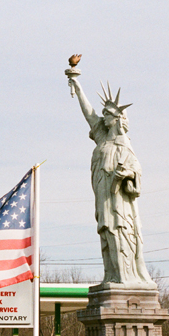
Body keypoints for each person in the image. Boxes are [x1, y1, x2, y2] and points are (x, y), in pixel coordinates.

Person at [68, 76, 155, 287]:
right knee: (106, 233)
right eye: (104, 113)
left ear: (117, 119)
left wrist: (126, 176)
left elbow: (136, 171)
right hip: (102, 197)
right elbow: (89, 113)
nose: (103, 117)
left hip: (119, 203)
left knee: (118, 233)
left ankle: (125, 277)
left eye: (108, 114)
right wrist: (77, 86)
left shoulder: (123, 144)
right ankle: (112, 275)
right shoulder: (102, 138)